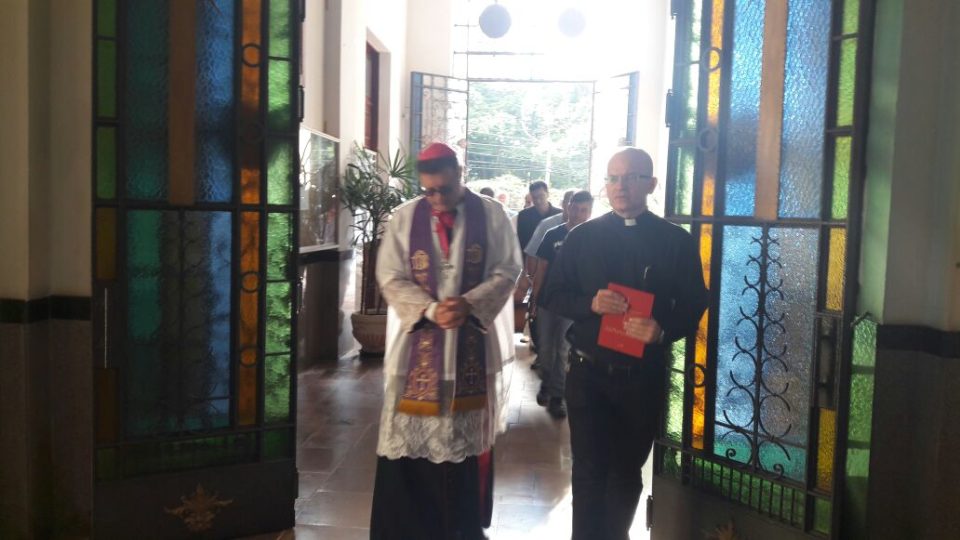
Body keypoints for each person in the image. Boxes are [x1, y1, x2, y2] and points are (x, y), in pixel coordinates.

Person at [541, 148, 708, 540]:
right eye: (613, 178)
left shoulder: (675, 241)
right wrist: (590, 303)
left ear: (650, 184)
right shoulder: (581, 237)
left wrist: (663, 330)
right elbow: (552, 294)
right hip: (587, 373)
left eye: (631, 177)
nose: (620, 186)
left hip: (641, 377)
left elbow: (694, 302)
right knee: (588, 470)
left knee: (625, 471)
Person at [370, 142, 522, 540]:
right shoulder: (405, 218)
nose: (436, 199)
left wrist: (469, 304)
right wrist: (431, 310)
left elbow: (509, 269)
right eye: (429, 191)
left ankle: (459, 530)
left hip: (469, 350)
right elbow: (389, 275)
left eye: (445, 189)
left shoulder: (492, 215)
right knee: (411, 446)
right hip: (417, 352)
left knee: (460, 447)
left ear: (460, 172)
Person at [531, 190, 593, 418]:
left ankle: (557, 396)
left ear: (590, 212)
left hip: (574, 304)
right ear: (568, 208)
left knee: (563, 348)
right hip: (548, 300)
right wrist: (535, 300)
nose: (578, 214)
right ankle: (546, 382)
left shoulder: (592, 238)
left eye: (584, 210)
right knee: (545, 349)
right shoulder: (552, 234)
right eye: (575, 209)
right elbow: (541, 269)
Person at [515, 181, 562, 350]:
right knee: (533, 305)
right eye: (535, 198)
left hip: (551, 269)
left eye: (541, 196)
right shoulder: (524, 216)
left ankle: (546, 345)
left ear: (547, 194)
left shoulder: (560, 215)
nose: (538, 201)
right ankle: (537, 342)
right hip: (530, 266)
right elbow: (522, 245)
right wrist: (525, 273)